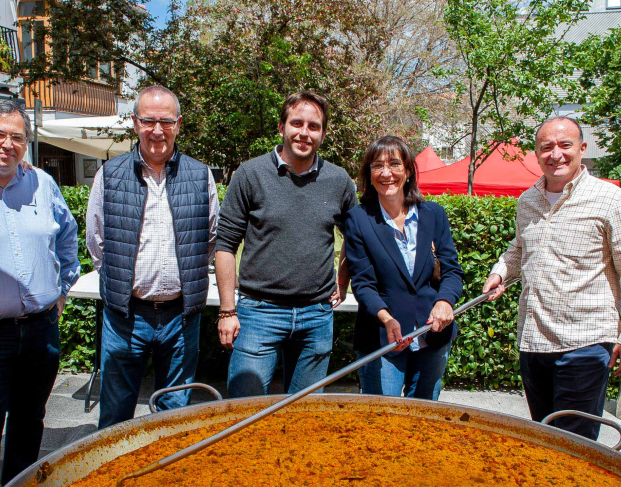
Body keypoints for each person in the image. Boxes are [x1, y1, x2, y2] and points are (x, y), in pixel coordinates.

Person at [0, 99, 79, 487]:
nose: (7, 144)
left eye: (17, 137)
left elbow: (67, 236)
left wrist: (61, 290)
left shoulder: (42, 184)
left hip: (39, 330)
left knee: (29, 422)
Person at [86, 85, 219, 429]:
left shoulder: (200, 175)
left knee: (174, 414)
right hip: (126, 316)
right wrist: (123, 281)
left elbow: (210, 239)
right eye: (148, 121)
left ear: (178, 124)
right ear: (135, 123)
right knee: (115, 414)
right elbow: (97, 243)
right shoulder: (109, 174)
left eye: (166, 121)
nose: (157, 130)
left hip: (180, 317)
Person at [483, 116, 621, 441]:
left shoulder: (610, 199)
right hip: (534, 341)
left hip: (586, 343)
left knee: (573, 444)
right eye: (546, 147)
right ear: (536, 153)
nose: (555, 154)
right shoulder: (527, 200)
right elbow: (519, 247)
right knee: (545, 440)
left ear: (582, 149)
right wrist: (500, 271)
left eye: (564, 145)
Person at [215, 91, 357, 397]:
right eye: (297, 123)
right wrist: (227, 311)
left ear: (323, 134)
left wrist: (342, 281)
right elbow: (225, 244)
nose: (305, 133)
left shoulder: (339, 180)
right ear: (282, 127)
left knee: (303, 416)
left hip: (316, 316)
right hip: (258, 313)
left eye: (314, 126)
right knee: (246, 409)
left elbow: (355, 237)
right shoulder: (250, 174)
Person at [344, 136, 463, 399]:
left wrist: (445, 301)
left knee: (423, 415)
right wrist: (387, 318)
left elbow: (452, 270)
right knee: (382, 415)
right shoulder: (358, 219)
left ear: (408, 171)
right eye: (378, 165)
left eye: (395, 164)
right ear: (369, 174)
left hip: (432, 335)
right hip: (382, 336)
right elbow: (362, 283)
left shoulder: (433, 215)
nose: (386, 173)